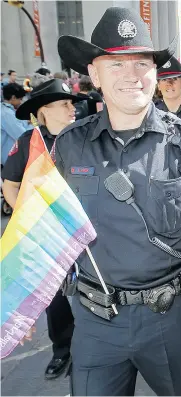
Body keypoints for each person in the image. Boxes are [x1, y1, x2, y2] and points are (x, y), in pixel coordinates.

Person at [52, 7, 181, 395]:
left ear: (155, 72)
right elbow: (48, 229)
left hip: (168, 318)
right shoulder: (69, 145)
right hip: (95, 322)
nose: (131, 74)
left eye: (141, 63)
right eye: (115, 65)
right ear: (94, 74)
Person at [2, 78, 85, 379]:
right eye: (64, 104)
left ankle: (94, 353)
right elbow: (10, 185)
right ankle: (62, 351)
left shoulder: (84, 135)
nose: (72, 108)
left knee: (94, 293)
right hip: (50, 235)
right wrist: (29, 218)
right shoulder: (29, 143)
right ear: (44, 111)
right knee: (56, 298)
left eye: (71, 103)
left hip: (88, 232)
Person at [1, 83, 31, 166]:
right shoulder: (6, 114)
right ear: (13, 97)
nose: (21, 102)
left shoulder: (8, 110)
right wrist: (33, 124)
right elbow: (22, 135)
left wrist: (27, 122)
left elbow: (18, 124)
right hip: (9, 159)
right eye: (20, 99)